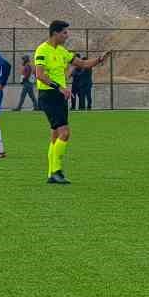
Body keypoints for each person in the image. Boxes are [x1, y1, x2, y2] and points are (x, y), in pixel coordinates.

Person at [33, 21, 109, 184]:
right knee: (65, 133)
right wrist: (60, 87)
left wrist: (99, 59)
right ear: (55, 33)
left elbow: (81, 63)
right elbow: (39, 75)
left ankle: (51, 174)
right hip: (48, 95)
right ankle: (57, 171)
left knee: (55, 135)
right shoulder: (42, 50)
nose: (67, 36)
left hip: (60, 96)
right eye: (65, 33)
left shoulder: (62, 51)